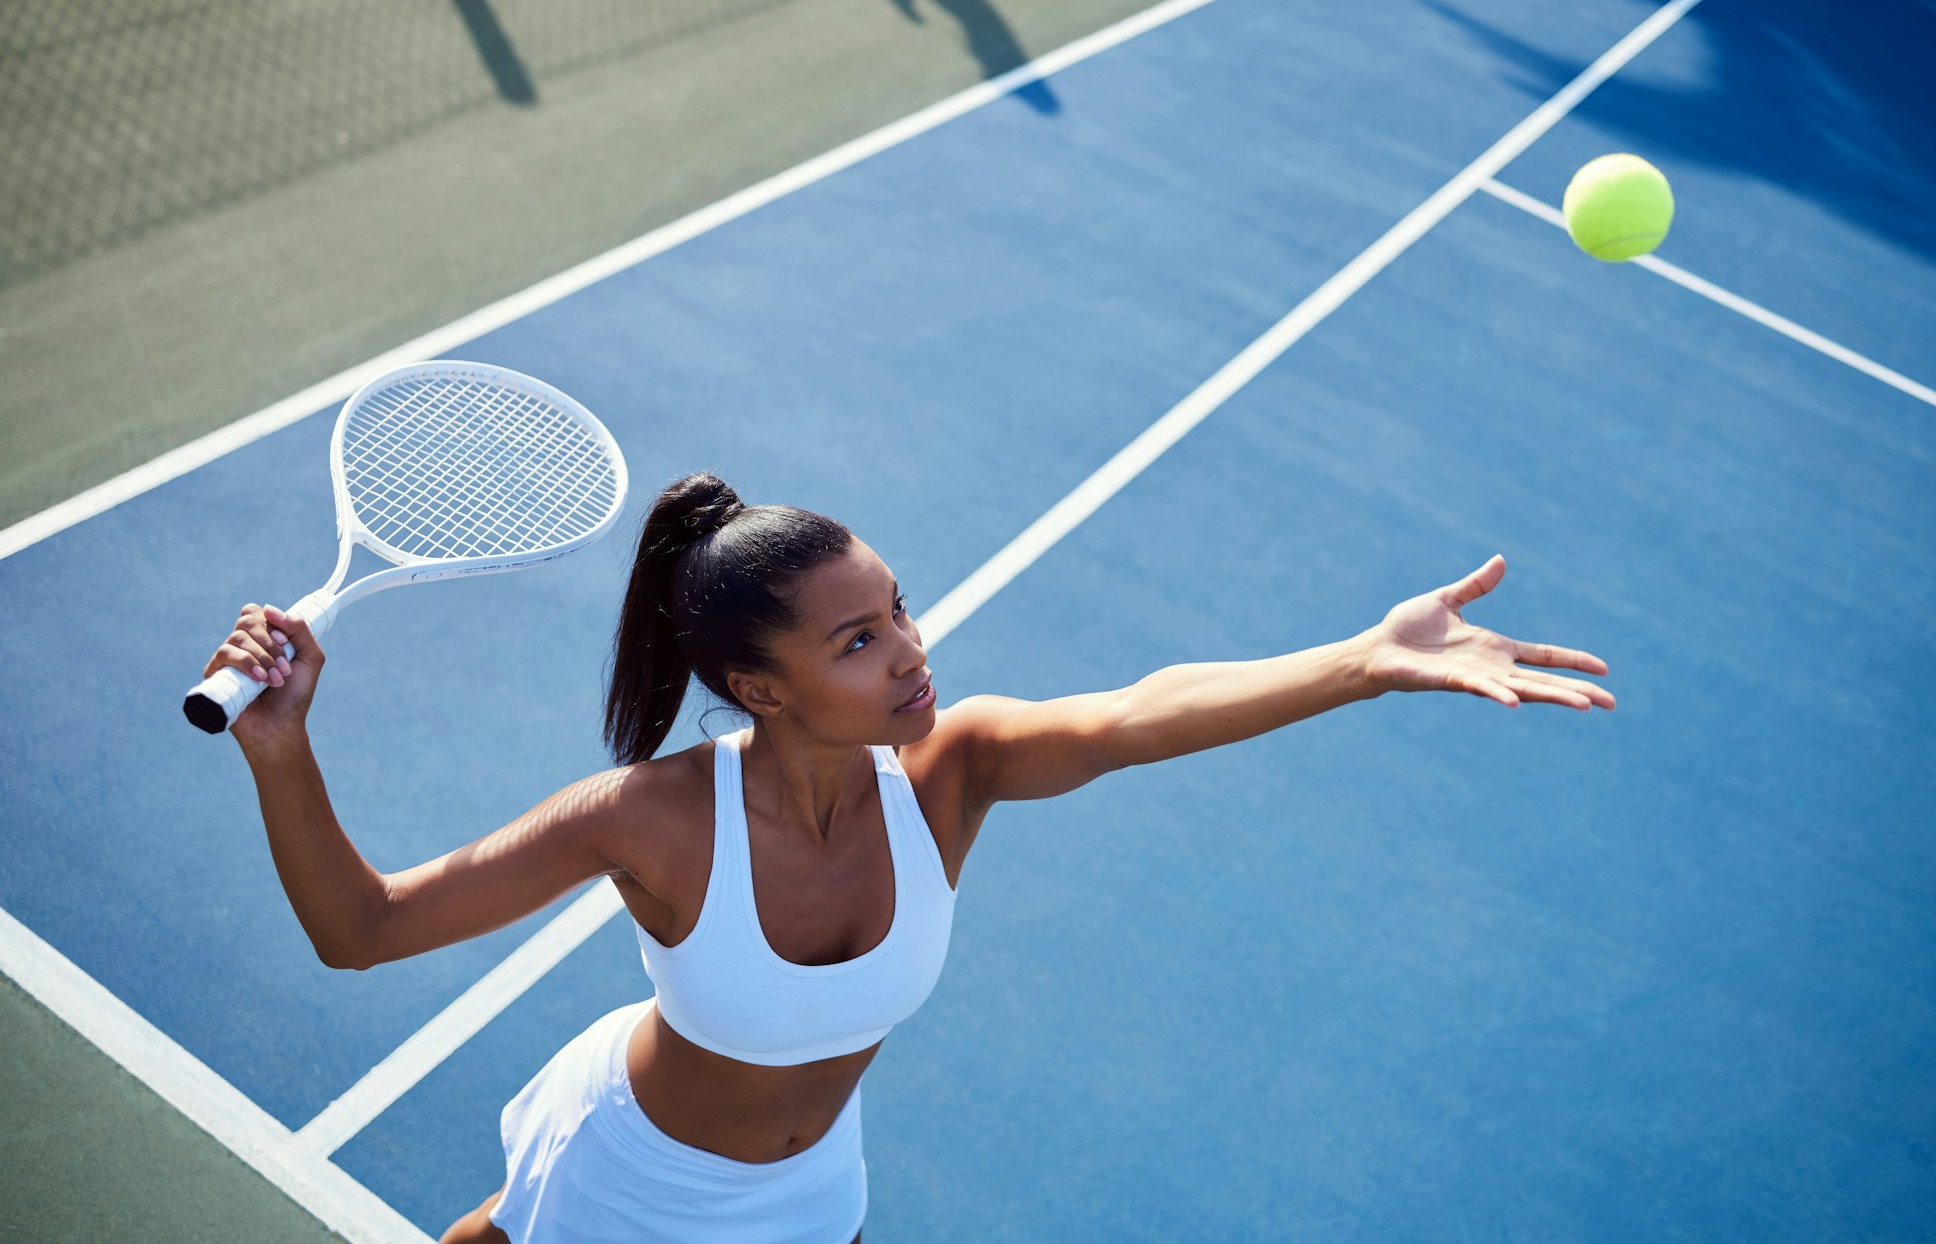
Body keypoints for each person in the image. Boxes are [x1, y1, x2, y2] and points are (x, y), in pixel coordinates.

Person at [202, 471, 1613, 1243]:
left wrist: (1363, 661)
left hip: (814, 1192)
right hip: (633, 1185)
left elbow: (1132, 711)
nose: (910, 653)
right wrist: (284, 752)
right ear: (759, 687)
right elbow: (363, 928)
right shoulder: (651, 818)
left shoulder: (953, 768)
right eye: (858, 639)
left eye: (902, 611)